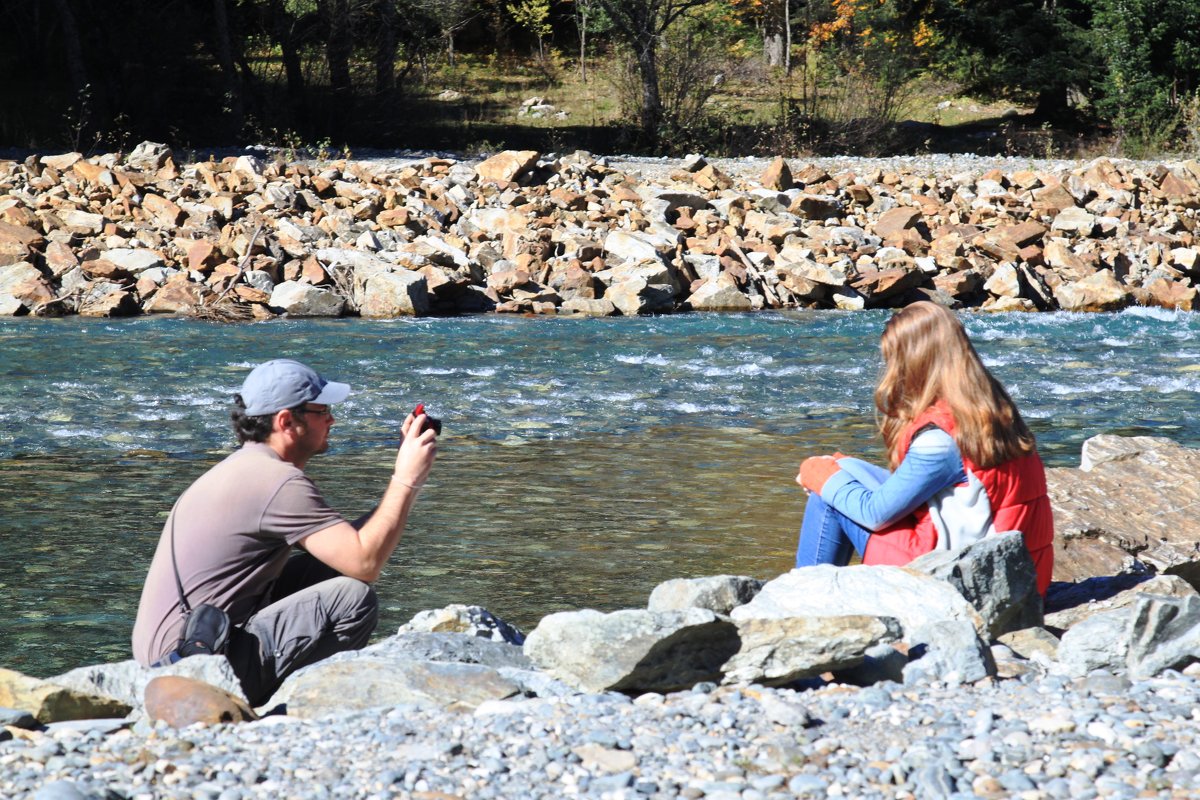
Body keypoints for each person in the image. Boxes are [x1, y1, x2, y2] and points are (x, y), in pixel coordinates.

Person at [132, 358, 438, 704]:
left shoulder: (244, 468)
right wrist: (406, 479)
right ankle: (303, 704)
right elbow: (365, 562)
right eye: (322, 410)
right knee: (352, 599)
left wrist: (406, 474)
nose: (332, 419)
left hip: (178, 658)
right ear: (286, 421)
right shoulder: (277, 483)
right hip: (196, 673)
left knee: (327, 567)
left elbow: (351, 551)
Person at [794, 302, 1054, 595]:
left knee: (827, 496)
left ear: (914, 363)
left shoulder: (940, 441)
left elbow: (874, 513)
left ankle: (803, 599)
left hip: (963, 585)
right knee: (837, 475)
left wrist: (816, 474)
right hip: (1017, 580)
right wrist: (838, 468)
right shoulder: (991, 410)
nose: (891, 370)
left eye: (893, 360)